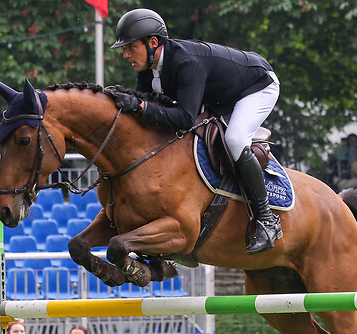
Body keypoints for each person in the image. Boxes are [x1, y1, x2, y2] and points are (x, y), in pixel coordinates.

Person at [111, 8, 281, 255]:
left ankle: (267, 220)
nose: (126, 54)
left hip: (257, 87)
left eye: (130, 47)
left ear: (153, 43)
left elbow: (184, 118)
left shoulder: (186, 62)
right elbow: (146, 101)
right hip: (222, 95)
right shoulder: (149, 67)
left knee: (235, 139)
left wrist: (138, 106)